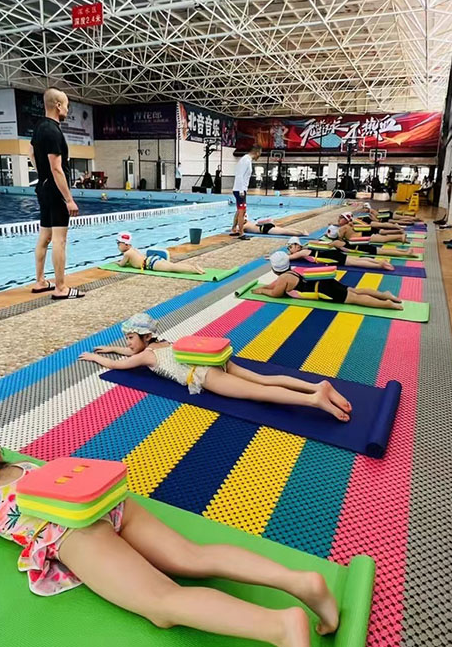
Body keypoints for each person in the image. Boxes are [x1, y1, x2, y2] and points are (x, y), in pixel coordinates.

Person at [0, 423, 339, 647]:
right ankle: (301, 582)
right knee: (192, 557)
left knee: (163, 603)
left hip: (74, 533)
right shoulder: (28, 468)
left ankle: (279, 626)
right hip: (97, 501)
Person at [81, 313, 351, 422]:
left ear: (145, 338)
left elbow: (123, 365)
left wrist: (97, 358)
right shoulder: (163, 342)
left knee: (259, 392)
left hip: (204, 375)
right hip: (214, 360)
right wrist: (114, 348)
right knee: (263, 378)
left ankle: (314, 399)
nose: (126, 343)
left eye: (130, 337)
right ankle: (317, 385)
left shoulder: (146, 356)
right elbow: (129, 351)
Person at [30, 88, 84, 300]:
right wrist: (69, 199)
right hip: (55, 191)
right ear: (58, 106)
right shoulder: (53, 131)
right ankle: (61, 288)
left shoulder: (39, 127)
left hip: (43, 189)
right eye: (67, 106)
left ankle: (40, 281)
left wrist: (41, 174)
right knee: (59, 240)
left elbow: (31, 153)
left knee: (45, 236)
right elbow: (57, 168)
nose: (67, 110)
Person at [254, 252, 403, 311]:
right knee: (355, 290)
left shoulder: (284, 278)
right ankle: (385, 294)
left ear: (274, 269)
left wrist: (261, 291)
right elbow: (274, 286)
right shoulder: (291, 272)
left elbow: (276, 293)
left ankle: (387, 304)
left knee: (355, 299)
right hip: (325, 282)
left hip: (325, 291)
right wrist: (265, 286)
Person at [115, 231, 205, 275]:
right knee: (173, 266)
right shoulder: (133, 249)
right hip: (152, 259)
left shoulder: (127, 254)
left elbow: (122, 265)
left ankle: (194, 270)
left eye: (119, 244)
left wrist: (118, 263)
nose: (118, 246)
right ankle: (194, 268)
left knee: (172, 268)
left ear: (126, 244)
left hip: (151, 264)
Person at [283, 237, 395, 271]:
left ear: (296, 246)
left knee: (356, 263)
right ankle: (378, 261)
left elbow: (289, 258)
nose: (289, 250)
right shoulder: (307, 246)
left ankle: (379, 265)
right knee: (358, 260)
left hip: (331, 257)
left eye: (290, 247)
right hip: (332, 253)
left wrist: (277, 257)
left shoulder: (301, 252)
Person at [230, 146, 261, 238]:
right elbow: (239, 175)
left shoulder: (247, 160)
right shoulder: (245, 160)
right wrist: (241, 190)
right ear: (257, 152)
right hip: (240, 190)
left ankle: (234, 229)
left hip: (241, 189)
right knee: (241, 212)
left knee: (241, 211)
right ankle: (241, 233)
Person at [336, 212, 406, 244]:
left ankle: (399, 235)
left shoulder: (344, 227)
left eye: (340, 219)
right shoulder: (349, 224)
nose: (338, 220)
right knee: (382, 235)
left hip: (363, 234)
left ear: (346, 220)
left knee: (383, 238)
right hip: (364, 232)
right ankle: (399, 237)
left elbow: (340, 240)